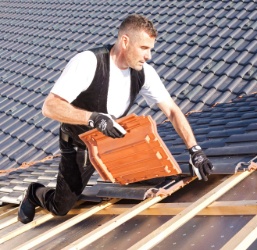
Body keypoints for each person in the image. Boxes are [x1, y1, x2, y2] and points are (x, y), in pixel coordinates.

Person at [18, 14, 213, 224]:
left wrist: (195, 150)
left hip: (112, 142)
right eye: (144, 48)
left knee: (160, 175)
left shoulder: (144, 72)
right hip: (80, 144)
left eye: (151, 49)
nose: (149, 56)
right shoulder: (88, 63)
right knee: (61, 207)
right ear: (125, 41)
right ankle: (34, 192)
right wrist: (93, 118)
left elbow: (173, 111)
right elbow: (50, 107)